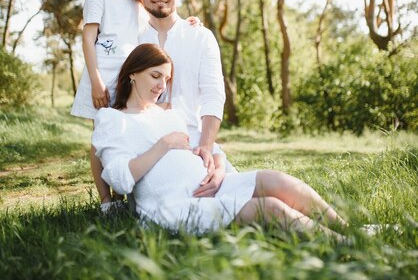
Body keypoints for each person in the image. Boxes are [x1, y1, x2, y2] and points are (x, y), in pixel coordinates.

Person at [92, 44, 347, 239]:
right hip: (174, 206)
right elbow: (119, 180)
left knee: (277, 180)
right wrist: (164, 145)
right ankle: (342, 243)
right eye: (155, 76)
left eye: (166, 79)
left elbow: (211, 147)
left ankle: (350, 229)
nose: (161, 85)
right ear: (133, 74)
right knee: (270, 208)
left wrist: (217, 168)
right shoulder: (114, 119)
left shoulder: (169, 114)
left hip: (212, 188)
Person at [71, 0, 202, 211]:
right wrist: (96, 80)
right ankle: (107, 201)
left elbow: (160, 13)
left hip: (128, 77)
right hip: (101, 76)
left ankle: (125, 193)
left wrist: (187, 20)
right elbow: (88, 39)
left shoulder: (135, 2)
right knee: (101, 140)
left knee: (126, 136)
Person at [138, 0, 231, 198]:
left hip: (196, 141)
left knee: (239, 191)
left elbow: (213, 94)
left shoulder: (199, 35)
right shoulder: (132, 38)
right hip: (147, 145)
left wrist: (207, 147)